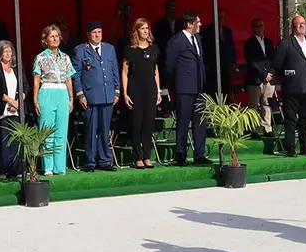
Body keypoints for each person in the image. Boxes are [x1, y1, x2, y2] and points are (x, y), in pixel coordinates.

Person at [165, 12, 212, 165]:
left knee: (200, 121)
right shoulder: (177, 41)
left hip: (199, 87)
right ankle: (180, 154)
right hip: (184, 87)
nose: (200, 25)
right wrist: (175, 83)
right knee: (183, 121)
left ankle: (199, 153)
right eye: (198, 22)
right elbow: (169, 65)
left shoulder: (198, 39)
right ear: (189, 24)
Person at [74, 21, 120, 172]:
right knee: (91, 130)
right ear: (88, 35)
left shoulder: (109, 48)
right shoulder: (81, 50)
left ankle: (105, 160)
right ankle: (90, 161)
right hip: (91, 96)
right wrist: (80, 94)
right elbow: (76, 75)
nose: (97, 35)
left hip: (107, 96)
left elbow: (114, 70)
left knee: (105, 129)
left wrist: (117, 90)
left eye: (99, 32)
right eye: (94, 32)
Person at [272, 15, 306, 157]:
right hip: (292, 87)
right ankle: (291, 149)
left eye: (303, 24)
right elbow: (277, 64)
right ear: (293, 26)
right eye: (298, 24)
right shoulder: (285, 43)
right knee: (291, 120)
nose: (301, 26)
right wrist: (287, 76)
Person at [33, 25, 76, 176]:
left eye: (57, 36)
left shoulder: (65, 57)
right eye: (52, 36)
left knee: (61, 131)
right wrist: (35, 99)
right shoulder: (41, 57)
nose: (55, 38)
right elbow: (37, 79)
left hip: (62, 93)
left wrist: (71, 98)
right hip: (47, 92)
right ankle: (48, 167)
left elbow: (69, 79)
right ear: (45, 40)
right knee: (47, 130)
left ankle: (60, 167)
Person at [121, 18, 161, 169]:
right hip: (135, 88)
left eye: (147, 28)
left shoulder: (154, 48)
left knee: (149, 123)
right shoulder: (130, 50)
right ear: (137, 31)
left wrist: (158, 90)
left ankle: (147, 156)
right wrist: (125, 93)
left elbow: (156, 71)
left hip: (150, 88)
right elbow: (124, 72)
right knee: (136, 123)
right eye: (142, 28)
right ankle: (138, 156)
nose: (145, 31)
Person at [0, 40, 26, 179]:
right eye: (5, 51)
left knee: (16, 142)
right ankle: (2, 170)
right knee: (3, 142)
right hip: (1, 109)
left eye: (10, 51)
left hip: (16, 109)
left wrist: (20, 100)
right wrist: (11, 101)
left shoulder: (17, 68)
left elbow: (25, 85)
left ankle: (16, 170)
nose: (8, 54)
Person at [243, 18, 275, 135]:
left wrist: (270, 73)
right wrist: (263, 74)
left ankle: (267, 128)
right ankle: (252, 128)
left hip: (269, 79)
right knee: (254, 105)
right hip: (255, 79)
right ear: (253, 28)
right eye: (257, 26)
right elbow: (252, 62)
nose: (260, 28)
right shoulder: (249, 43)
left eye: (261, 25)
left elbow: (273, 59)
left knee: (266, 104)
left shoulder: (268, 42)